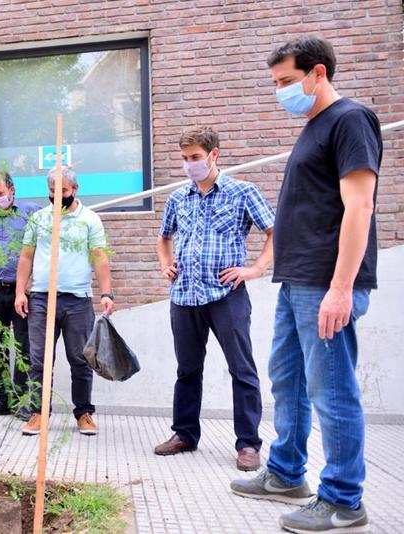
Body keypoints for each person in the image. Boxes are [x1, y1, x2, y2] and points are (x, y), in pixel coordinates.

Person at [231, 37, 382, 533]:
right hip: (296, 281)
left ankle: (342, 500)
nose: (280, 92)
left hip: (325, 284)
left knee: (332, 390)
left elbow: (360, 207)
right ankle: (285, 473)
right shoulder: (314, 126)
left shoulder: (350, 120)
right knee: (289, 382)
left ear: (318, 73)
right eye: (275, 83)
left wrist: (341, 289)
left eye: (286, 82)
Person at [154, 126, 275, 471]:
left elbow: (274, 231)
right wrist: (165, 263)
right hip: (184, 296)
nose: (189, 165)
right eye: (184, 159)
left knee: (242, 370)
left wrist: (254, 269)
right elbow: (164, 238)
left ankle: (248, 444)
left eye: (194, 158)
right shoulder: (178, 198)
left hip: (226, 296)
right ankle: (184, 434)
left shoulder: (242, 192)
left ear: (213, 155)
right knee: (187, 370)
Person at [15, 166, 114, 437]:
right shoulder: (38, 219)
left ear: (75, 190)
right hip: (41, 298)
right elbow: (26, 257)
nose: (57, 197)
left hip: (77, 301)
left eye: (63, 192)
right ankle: (38, 413)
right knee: (39, 361)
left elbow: (99, 257)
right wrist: (20, 292)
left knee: (80, 359)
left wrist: (106, 293)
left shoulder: (90, 220)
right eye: (51, 192)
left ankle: (84, 414)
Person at [0, 170, 40, 420]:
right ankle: (3, 398)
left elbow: (42, 247)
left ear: (12, 189)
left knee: (23, 345)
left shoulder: (30, 213)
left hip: (21, 290)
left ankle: (23, 400)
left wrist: (31, 282)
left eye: (0, 194)